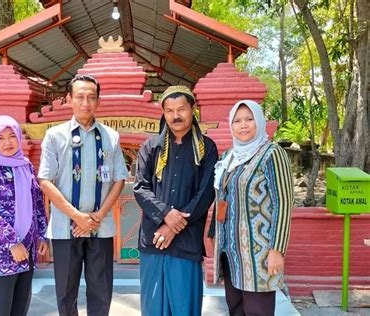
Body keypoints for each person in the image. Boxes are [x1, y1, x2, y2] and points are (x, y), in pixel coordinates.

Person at [38, 74, 129, 316]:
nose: (86, 102)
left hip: (102, 226)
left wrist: (96, 216)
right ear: (69, 99)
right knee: (66, 293)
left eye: (91, 97)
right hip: (64, 228)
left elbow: (120, 179)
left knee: (101, 290)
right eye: (80, 96)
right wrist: (77, 216)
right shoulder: (55, 136)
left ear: (98, 101)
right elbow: (45, 180)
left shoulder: (111, 137)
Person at [134, 85, 218, 316]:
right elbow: (140, 187)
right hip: (154, 238)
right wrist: (165, 215)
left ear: (193, 109)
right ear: (163, 113)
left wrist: (174, 225)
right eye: (169, 110)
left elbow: (206, 192)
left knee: (184, 307)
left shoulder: (206, 148)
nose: (176, 115)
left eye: (181, 109)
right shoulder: (151, 147)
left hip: (186, 241)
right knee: (152, 307)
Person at [211, 100, 294, 315]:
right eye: (237, 121)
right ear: (231, 126)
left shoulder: (272, 154)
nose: (243, 125)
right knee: (235, 308)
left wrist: (277, 249)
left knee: (258, 310)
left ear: (259, 121)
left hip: (260, 253)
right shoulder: (229, 156)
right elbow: (221, 195)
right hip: (231, 252)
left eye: (249, 119)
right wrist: (214, 234)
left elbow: (283, 202)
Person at [0, 115, 48, 316]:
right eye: (0, 138)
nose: (7, 143)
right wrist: (12, 241)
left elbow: (37, 203)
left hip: (26, 251)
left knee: (20, 309)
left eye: (12, 136)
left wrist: (42, 235)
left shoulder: (25, 165)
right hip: (0, 253)